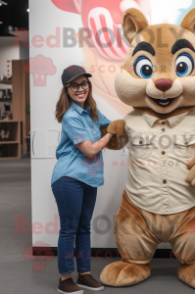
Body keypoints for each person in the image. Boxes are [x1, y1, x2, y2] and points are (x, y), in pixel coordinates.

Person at [51, 65, 113, 294]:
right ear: (67, 89)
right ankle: (65, 278)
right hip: (68, 178)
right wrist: (112, 134)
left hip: (89, 178)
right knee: (69, 229)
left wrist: (119, 128)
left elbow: (111, 126)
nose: (80, 89)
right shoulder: (70, 116)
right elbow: (89, 150)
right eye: (74, 85)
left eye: (84, 84)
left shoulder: (91, 110)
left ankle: (84, 274)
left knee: (84, 228)